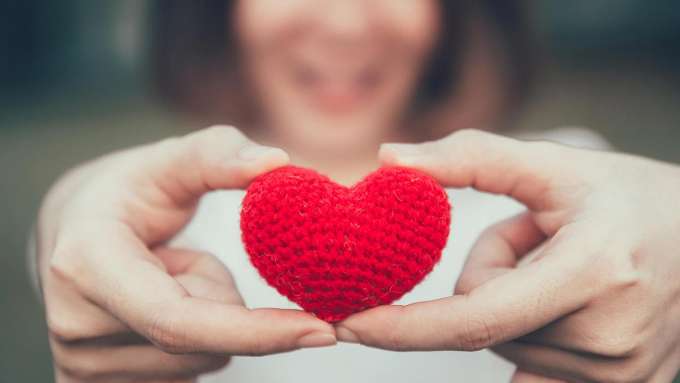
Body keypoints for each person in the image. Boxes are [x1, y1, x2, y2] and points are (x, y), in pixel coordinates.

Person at [31, 1, 680, 382]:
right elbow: (70, 235)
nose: (343, 23)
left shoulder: (567, 196)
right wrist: (68, 197)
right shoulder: (145, 227)